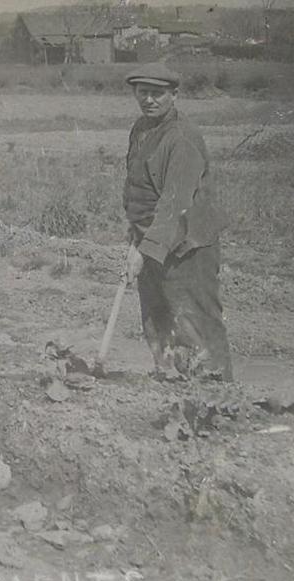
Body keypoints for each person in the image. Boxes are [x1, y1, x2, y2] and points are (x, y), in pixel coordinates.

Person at [122, 63, 232, 381]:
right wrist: (134, 232)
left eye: (158, 94)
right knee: (157, 318)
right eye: (143, 93)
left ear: (175, 95)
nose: (150, 100)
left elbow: (174, 203)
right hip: (153, 238)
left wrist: (144, 250)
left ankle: (218, 399)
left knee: (196, 322)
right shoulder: (141, 128)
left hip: (188, 246)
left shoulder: (182, 139)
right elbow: (138, 187)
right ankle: (169, 385)